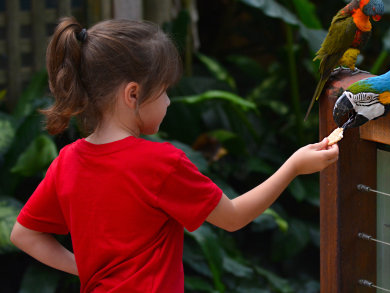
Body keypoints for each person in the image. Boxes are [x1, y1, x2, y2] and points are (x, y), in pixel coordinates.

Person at [10, 17, 339, 292]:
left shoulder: (66, 161)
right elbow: (233, 217)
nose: (168, 102)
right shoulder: (160, 164)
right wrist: (294, 166)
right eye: (165, 90)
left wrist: (86, 268)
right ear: (133, 94)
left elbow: (24, 233)